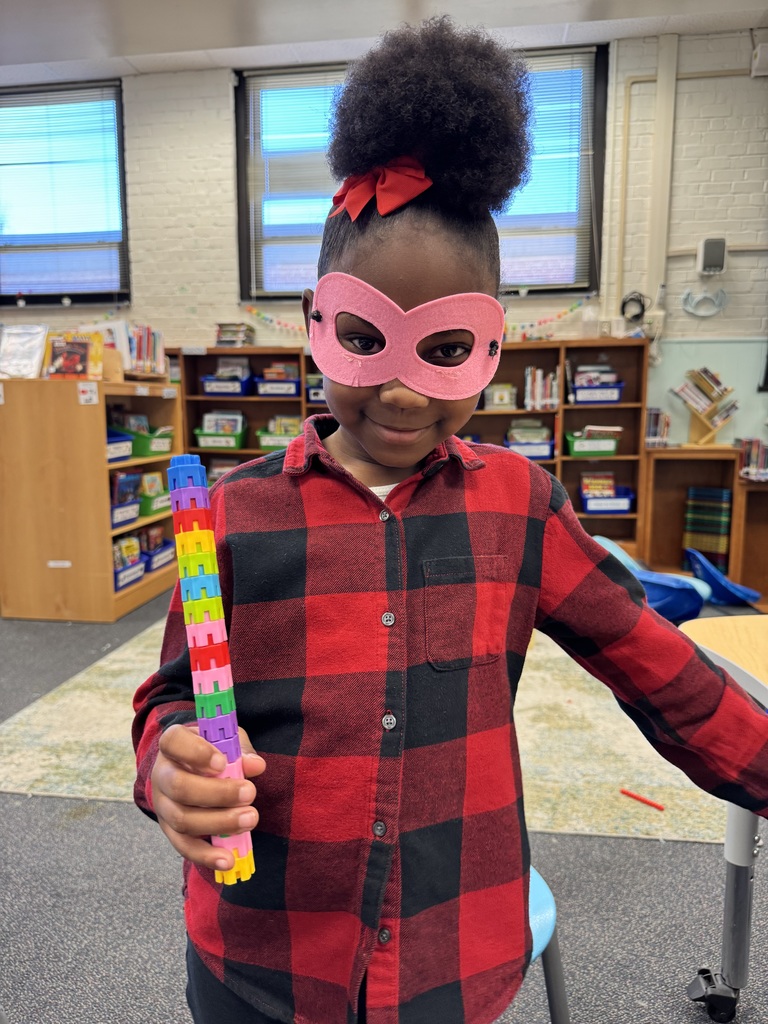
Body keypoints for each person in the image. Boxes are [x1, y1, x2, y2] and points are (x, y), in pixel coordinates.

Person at [132, 16, 768, 1024]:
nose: (402, 391)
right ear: (315, 324)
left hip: (449, 961)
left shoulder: (519, 506)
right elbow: (168, 699)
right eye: (363, 337)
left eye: (445, 350)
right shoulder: (236, 517)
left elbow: (665, 673)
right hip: (260, 964)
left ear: (494, 347)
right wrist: (167, 763)